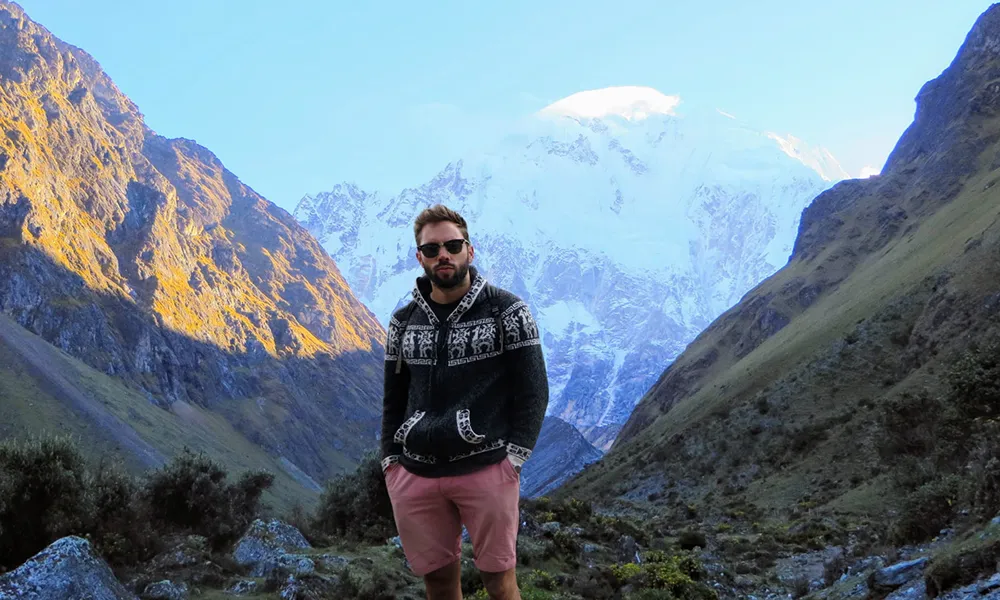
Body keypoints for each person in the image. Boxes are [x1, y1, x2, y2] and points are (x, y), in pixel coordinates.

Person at [380, 204, 549, 600]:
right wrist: (391, 463)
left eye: (453, 245)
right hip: (415, 474)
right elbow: (393, 396)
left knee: (500, 583)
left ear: (469, 251)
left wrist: (513, 461)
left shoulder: (508, 311)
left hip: (487, 468)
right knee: (438, 584)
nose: (444, 255)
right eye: (433, 248)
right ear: (419, 256)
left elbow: (534, 390)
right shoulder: (402, 322)